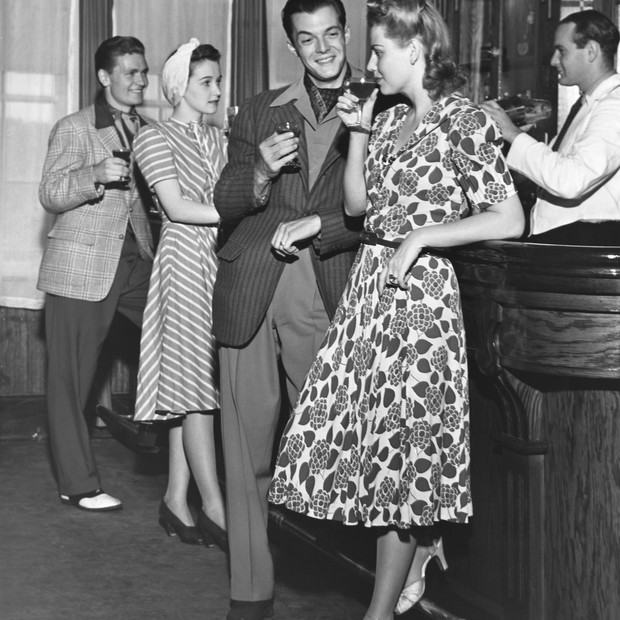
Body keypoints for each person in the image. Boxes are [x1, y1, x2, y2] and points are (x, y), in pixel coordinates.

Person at [269, 1, 525, 619]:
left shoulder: (463, 121)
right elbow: (358, 208)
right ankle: (408, 570)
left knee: (399, 459)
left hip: (420, 302)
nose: (370, 62)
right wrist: (359, 132)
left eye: (380, 50)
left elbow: (509, 216)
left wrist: (423, 237)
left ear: (414, 50)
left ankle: (379, 611)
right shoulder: (386, 120)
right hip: (370, 293)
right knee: (352, 440)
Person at [212, 0, 363, 617]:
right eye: (307, 39)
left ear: (347, 34)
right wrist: (260, 172)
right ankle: (249, 591)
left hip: (326, 285)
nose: (322, 49)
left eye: (331, 34)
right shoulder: (260, 108)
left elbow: (389, 206)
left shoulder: (384, 106)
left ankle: (390, 576)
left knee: (338, 440)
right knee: (245, 448)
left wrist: (320, 223)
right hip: (251, 285)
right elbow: (225, 200)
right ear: (292, 45)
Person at [38, 36, 154, 512]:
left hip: (137, 262)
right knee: (70, 380)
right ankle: (78, 484)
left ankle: (170, 440)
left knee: (182, 335)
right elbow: (50, 192)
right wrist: (93, 175)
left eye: (143, 71)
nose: (140, 80)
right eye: (130, 72)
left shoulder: (148, 129)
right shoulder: (75, 127)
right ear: (105, 77)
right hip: (82, 264)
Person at [132, 39, 227, 550]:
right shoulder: (153, 138)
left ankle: (174, 497)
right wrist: (238, 210)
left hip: (219, 260)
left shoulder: (220, 138)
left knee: (188, 384)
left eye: (218, 80)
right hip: (185, 261)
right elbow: (176, 207)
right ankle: (214, 506)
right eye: (206, 81)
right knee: (197, 388)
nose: (217, 90)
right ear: (178, 86)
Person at [482, 9, 620, 245]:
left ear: (591, 51)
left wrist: (513, 135)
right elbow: (551, 175)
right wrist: (512, 140)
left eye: (561, 51)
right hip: (568, 243)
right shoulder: (588, 105)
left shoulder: (614, 105)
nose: (553, 60)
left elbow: (571, 181)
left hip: (586, 244)